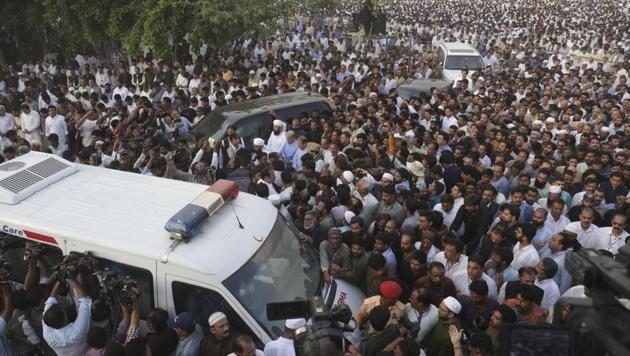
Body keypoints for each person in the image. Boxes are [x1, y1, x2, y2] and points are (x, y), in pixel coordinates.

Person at [43, 277, 92, 356]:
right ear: (65, 317)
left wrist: (60, 280)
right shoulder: (77, 332)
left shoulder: (48, 335)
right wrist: (73, 279)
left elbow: (50, 302)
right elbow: (85, 302)